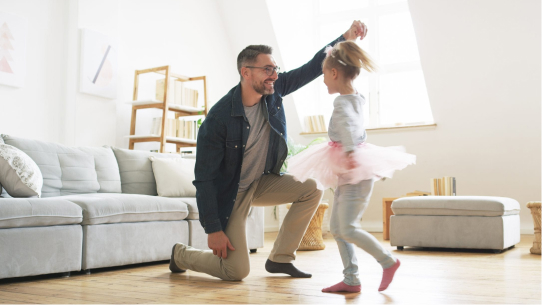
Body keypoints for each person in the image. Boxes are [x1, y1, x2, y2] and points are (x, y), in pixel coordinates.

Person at [169, 21, 368, 281]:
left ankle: (280, 259)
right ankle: (181, 254)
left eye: (275, 68)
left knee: (312, 188)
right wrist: (213, 229)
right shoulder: (218, 119)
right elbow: (204, 179)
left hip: (260, 182)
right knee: (236, 271)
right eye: (267, 69)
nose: (274, 74)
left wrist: (345, 37)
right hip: (231, 194)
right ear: (246, 72)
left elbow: (311, 68)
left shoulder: (273, 92)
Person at [287, 41, 416, 292]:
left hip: (355, 169)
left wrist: (349, 152)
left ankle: (387, 261)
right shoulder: (356, 97)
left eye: (324, 74)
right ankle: (351, 278)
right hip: (350, 168)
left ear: (334, 73)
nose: (323, 80)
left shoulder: (342, 103)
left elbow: (348, 126)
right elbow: (352, 125)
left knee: (347, 227)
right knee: (337, 227)